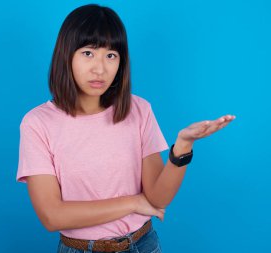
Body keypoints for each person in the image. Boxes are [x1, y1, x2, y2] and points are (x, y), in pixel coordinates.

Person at [16, 3, 235, 253]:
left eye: (111, 55)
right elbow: (52, 216)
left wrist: (183, 146)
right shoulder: (38, 123)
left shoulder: (139, 110)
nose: (100, 68)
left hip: (143, 245)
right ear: (66, 55)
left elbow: (157, 199)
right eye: (88, 53)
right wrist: (132, 203)